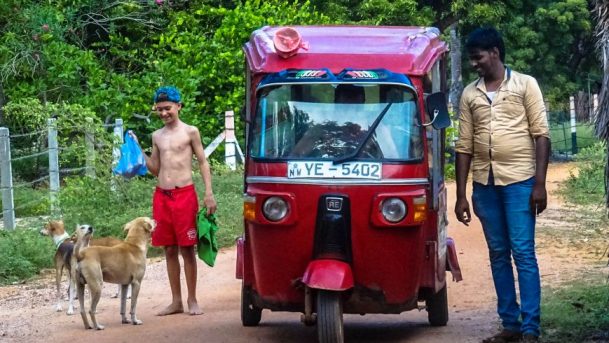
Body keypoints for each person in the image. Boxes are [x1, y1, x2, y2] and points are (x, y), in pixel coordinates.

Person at [454, 28, 550, 343]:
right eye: (471, 59)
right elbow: (464, 145)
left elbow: (541, 134)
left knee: (523, 253)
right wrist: (461, 195)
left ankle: (530, 329)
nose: (474, 64)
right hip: (485, 184)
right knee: (497, 253)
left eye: (478, 57)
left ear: (494, 52)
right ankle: (509, 324)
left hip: (521, 182)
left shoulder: (526, 85)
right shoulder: (470, 93)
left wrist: (540, 184)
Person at [134, 86, 217, 316]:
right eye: (159, 109)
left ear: (179, 106)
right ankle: (176, 301)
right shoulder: (156, 136)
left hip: (185, 195)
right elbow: (154, 168)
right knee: (169, 249)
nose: (163, 113)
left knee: (187, 249)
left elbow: (202, 162)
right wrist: (138, 151)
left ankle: (192, 299)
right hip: (162, 196)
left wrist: (208, 193)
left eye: (167, 108)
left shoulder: (191, 132)